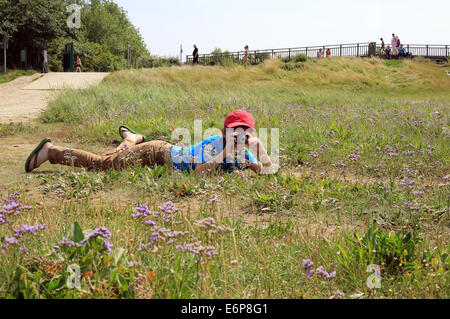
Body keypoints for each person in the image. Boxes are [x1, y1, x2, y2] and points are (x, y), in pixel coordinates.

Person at [24, 110, 275, 175]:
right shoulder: (215, 143)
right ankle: (51, 151)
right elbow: (199, 173)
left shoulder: (244, 153)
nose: (240, 136)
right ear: (224, 132)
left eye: (246, 131)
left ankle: (131, 139)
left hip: (160, 157)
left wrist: (261, 150)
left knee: (112, 160)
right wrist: (226, 152)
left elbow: (268, 172)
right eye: (235, 131)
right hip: (156, 153)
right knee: (102, 164)